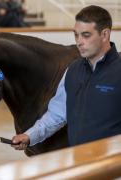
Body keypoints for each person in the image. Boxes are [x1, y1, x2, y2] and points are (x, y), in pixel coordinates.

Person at [12, 5, 121, 151]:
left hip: (112, 168)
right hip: (77, 162)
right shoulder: (72, 70)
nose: (79, 41)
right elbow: (57, 114)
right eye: (76, 35)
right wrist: (30, 136)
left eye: (86, 35)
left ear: (105, 35)